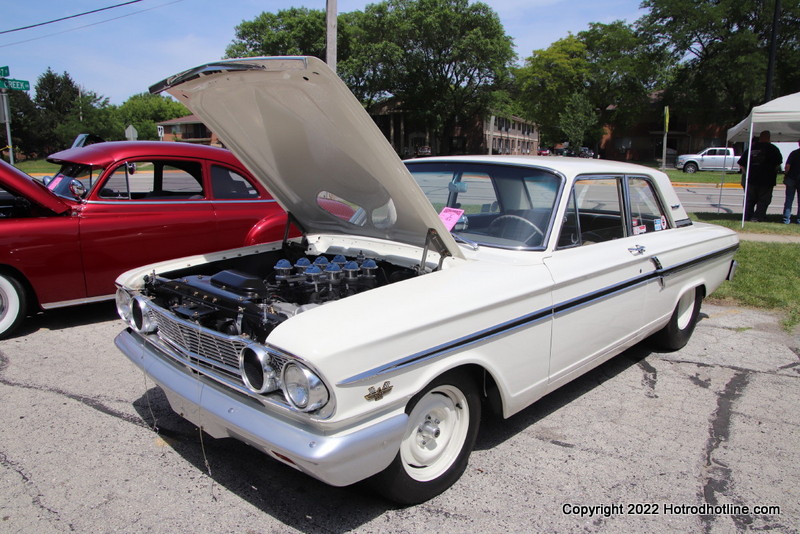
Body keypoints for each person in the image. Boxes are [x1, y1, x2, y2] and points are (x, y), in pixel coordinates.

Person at [738, 130, 783, 221]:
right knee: (763, 200)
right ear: (769, 138)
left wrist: (747, 174)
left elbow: (741, 164)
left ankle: (747, 216)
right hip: (767, 180)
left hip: (751, 179)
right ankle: (758, 217)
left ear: (760, 137)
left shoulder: (751, 148)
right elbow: (778, 164)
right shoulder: (773, 149)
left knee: (749, 200)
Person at [783, 140, 800, 224]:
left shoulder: (793, 153)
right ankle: (799, 219)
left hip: (791, 178)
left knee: (789, 200)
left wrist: (786, 174)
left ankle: (786, 219)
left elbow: (787, 166)